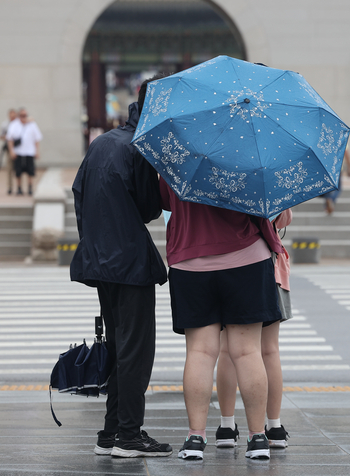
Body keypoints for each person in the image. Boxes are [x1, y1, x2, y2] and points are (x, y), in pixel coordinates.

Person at [70, 75, 172, 458]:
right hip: (129, 262)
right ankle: (129, 435)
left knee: (117, 346)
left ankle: (111, 432)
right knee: (136, 351)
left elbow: (80, 195)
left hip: (100, 260)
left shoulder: (104, 142)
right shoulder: (140, 148)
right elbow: (149, 209)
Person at [161, 175, 285, 461]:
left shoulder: (177, 155)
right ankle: (258, 438)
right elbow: (268, 208)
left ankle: (195, 437)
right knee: (247, 352)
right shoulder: (247, 154)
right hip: (246, 260)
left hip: (189, 261)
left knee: (200, 352)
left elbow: (165, 202)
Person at [215, 210, 293, 450]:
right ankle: (274, 427)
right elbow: (283, 219)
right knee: (269, 350)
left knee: (227, 350)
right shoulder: (265, 174)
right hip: (268, 265)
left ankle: (226, 426)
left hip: (222, 263)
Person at [6, 108, 42, 196]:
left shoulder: (32, 124)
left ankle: (30, 188)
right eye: (22, 116)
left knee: (30, 171)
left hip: (29, 152)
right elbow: (10, 139)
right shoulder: (14, 125)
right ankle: (19, 188)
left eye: (25, 115)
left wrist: (37, 151)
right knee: (18, 171)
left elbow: (37, 139)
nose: (24, 117)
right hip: (18, 152)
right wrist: (11, 151)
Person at [0, 109, 17, 194]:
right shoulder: (5, 124)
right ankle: (10, 187)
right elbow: (0, 136)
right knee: (9, 168)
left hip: (18, 148)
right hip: (9, 148)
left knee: (19, 169)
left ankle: (19, 187)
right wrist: (8, 137)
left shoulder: (19, 124)